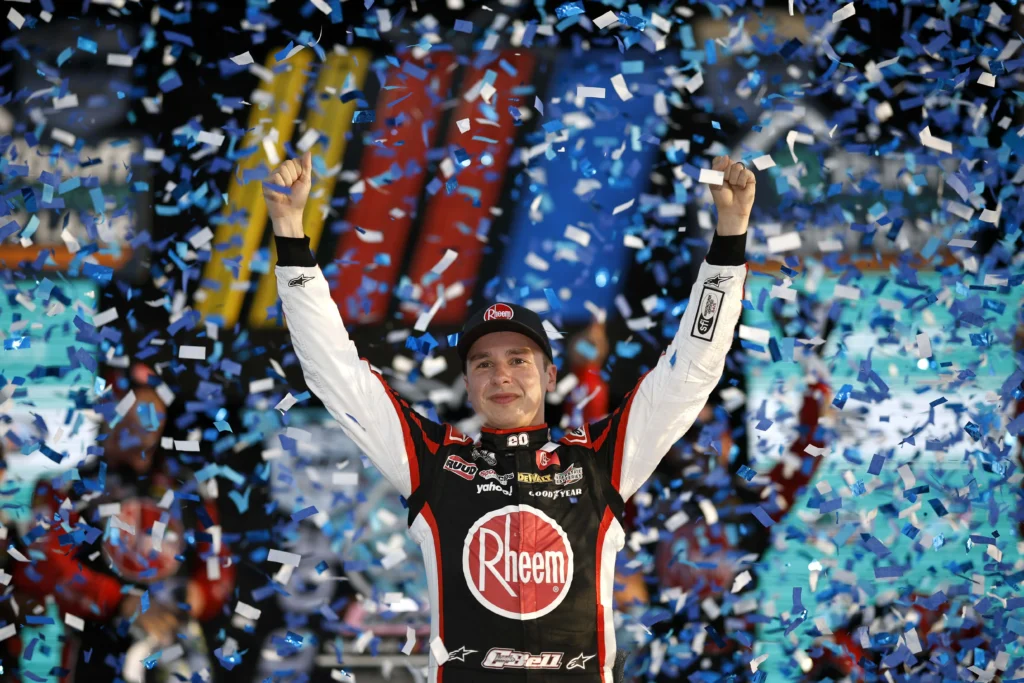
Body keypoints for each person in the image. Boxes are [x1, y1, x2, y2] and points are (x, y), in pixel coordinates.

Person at [264, 150, 755, 683]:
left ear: (548, 376)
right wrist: (290, 235)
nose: (501, 375)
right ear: (468, 384)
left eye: (519, 360)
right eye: (483, 363)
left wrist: (729, 240)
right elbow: (336, 374)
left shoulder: (599, 460)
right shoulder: (433, 463)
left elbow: (691, 372)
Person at [8, 362, 235, 681]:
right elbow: (44, 568)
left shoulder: (189, 487)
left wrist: (196, 598)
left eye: (153, 408)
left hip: (176, 652)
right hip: (96, 655)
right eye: (132, 406)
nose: (145, 419)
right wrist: (123, 604)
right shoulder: (67, 486)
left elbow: (219, 566)